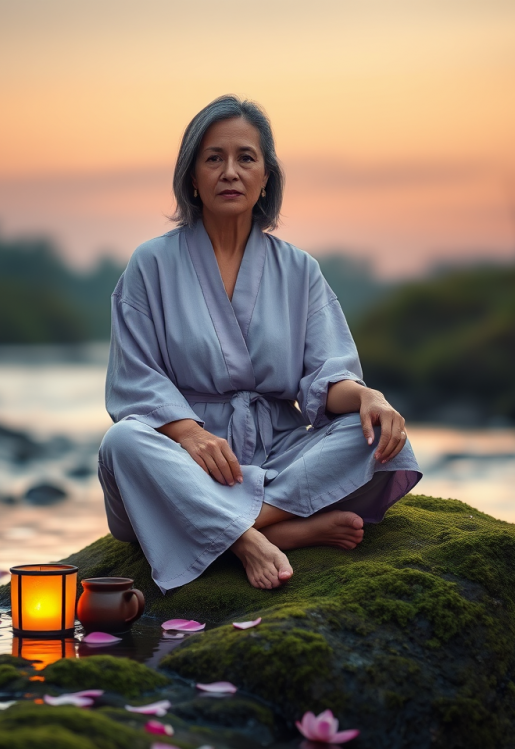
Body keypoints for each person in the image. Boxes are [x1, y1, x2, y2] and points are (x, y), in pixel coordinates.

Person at [98, 95, 421, 593]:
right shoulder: (151, 264)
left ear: (266, 176)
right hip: (187, 462)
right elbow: (134, 379)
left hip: (278, 453)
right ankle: (260, 536)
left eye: (245, 158)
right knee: (122, 443)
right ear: (192, 176)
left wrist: (369, 397)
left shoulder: (299, 270)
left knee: (376, 435)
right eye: (214, 158)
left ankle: (232, 527)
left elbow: (327, 378)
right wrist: (189, 435)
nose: (230, 172)